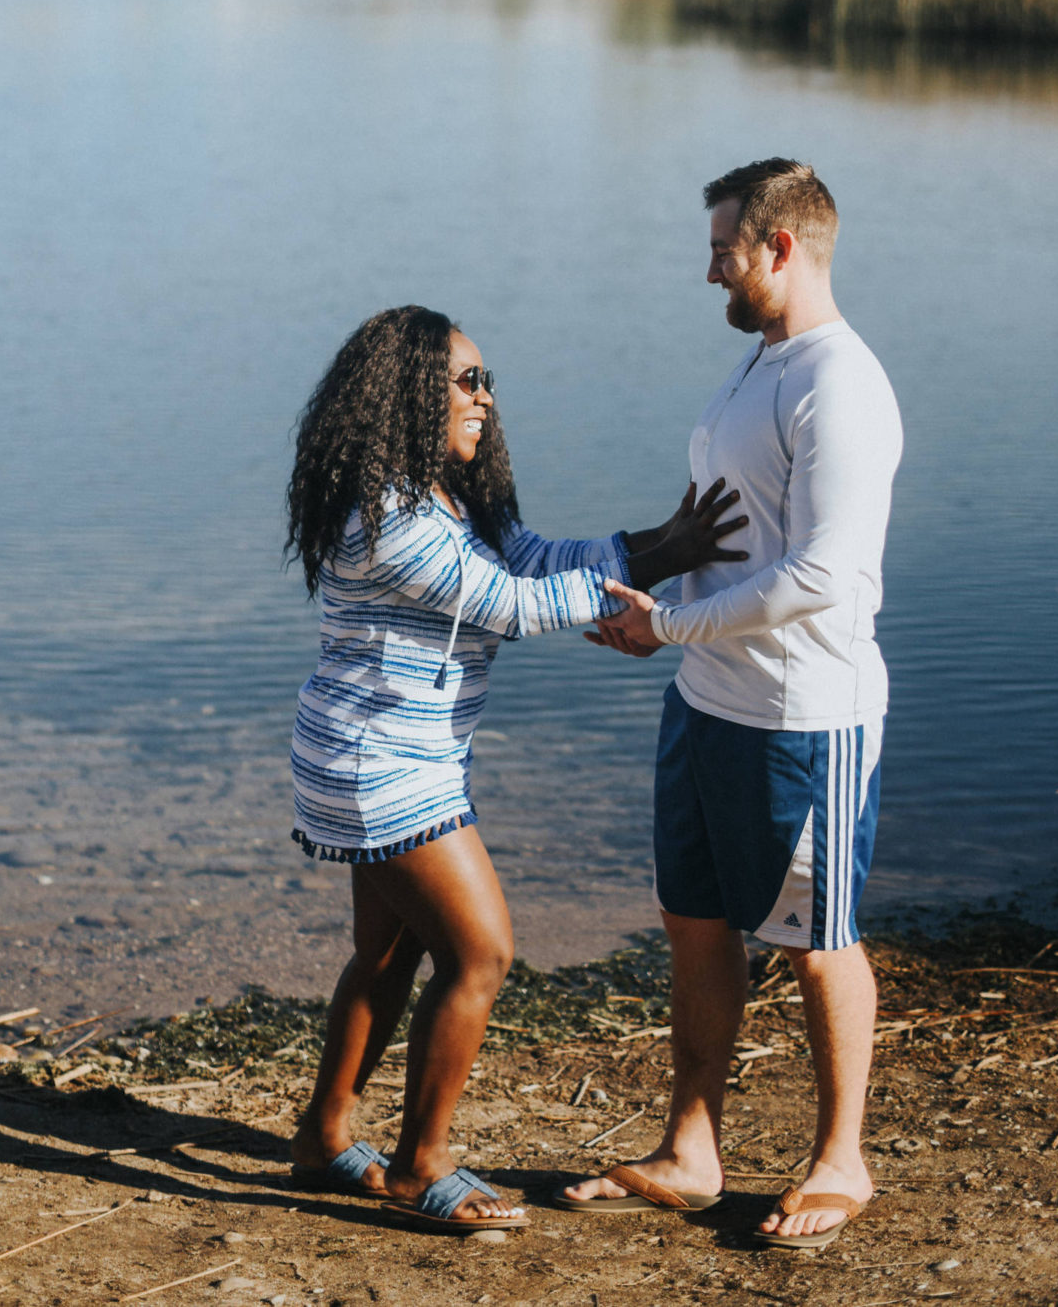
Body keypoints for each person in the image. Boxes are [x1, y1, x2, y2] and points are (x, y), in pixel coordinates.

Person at [283, 303, 746, 1235]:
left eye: (487, 380)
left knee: (388, 951)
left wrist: (659, 545)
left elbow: (532, 558)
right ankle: (420, 1165)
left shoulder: (449, 500)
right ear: (405, 391)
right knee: (482, 950)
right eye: (464, 379)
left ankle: (325, 1135)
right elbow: (502, 602)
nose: (484, 398)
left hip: (384, 752)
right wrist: (639, 600)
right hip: (383, 762)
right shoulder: (387, 516)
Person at [563, 159, 903, 1252]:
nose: (709, 269)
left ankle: (841, 1157)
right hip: (708, 701)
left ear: (780, 249)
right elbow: (727, 518)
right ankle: (692, 1148)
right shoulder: (763, 364)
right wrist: (651, 580)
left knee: (818, 940)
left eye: (723, 249)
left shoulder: (839, 384)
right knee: (697, 924)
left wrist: (664, 628)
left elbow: (823, 578)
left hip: (804, 715)